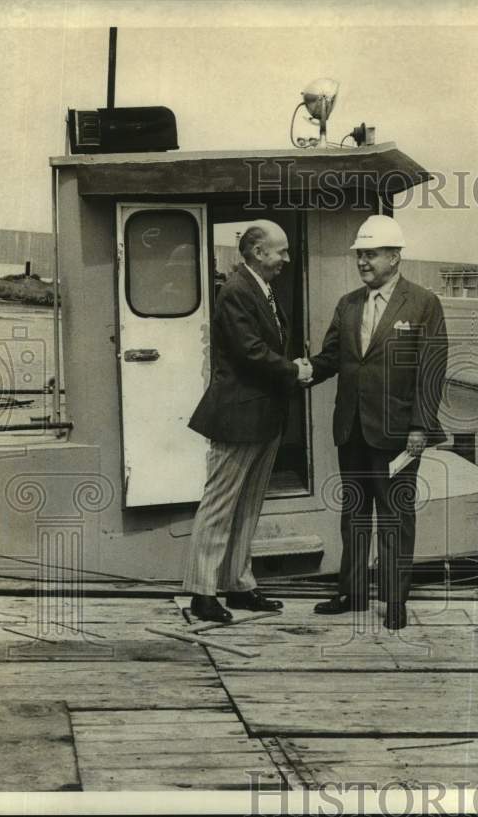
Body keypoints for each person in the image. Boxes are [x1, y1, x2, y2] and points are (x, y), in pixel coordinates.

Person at [304, 215, 448, 631]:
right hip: (351, 427)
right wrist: (297, 372)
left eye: (370, 254)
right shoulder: (348, 304)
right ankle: (351, 592)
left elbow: (432, 370)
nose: (363, 262)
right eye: (359, 255)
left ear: (395, 257)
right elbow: (331, 358)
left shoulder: (423, 303)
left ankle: (395, 599)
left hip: (399, 433)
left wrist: (421, 426)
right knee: (353, 513)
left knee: (395, 516)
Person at [182, 220, 311, 622]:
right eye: (281, 251)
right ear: (258, 252)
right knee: (220, 505)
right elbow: (251, 352)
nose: (286, 259)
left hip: (263, 416)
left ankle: (239, 585)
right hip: (238, 416)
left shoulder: (259, 287)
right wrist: (294, 371)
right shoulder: (236, 291)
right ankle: (202, 593)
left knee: (249, 506)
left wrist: (291, 371)